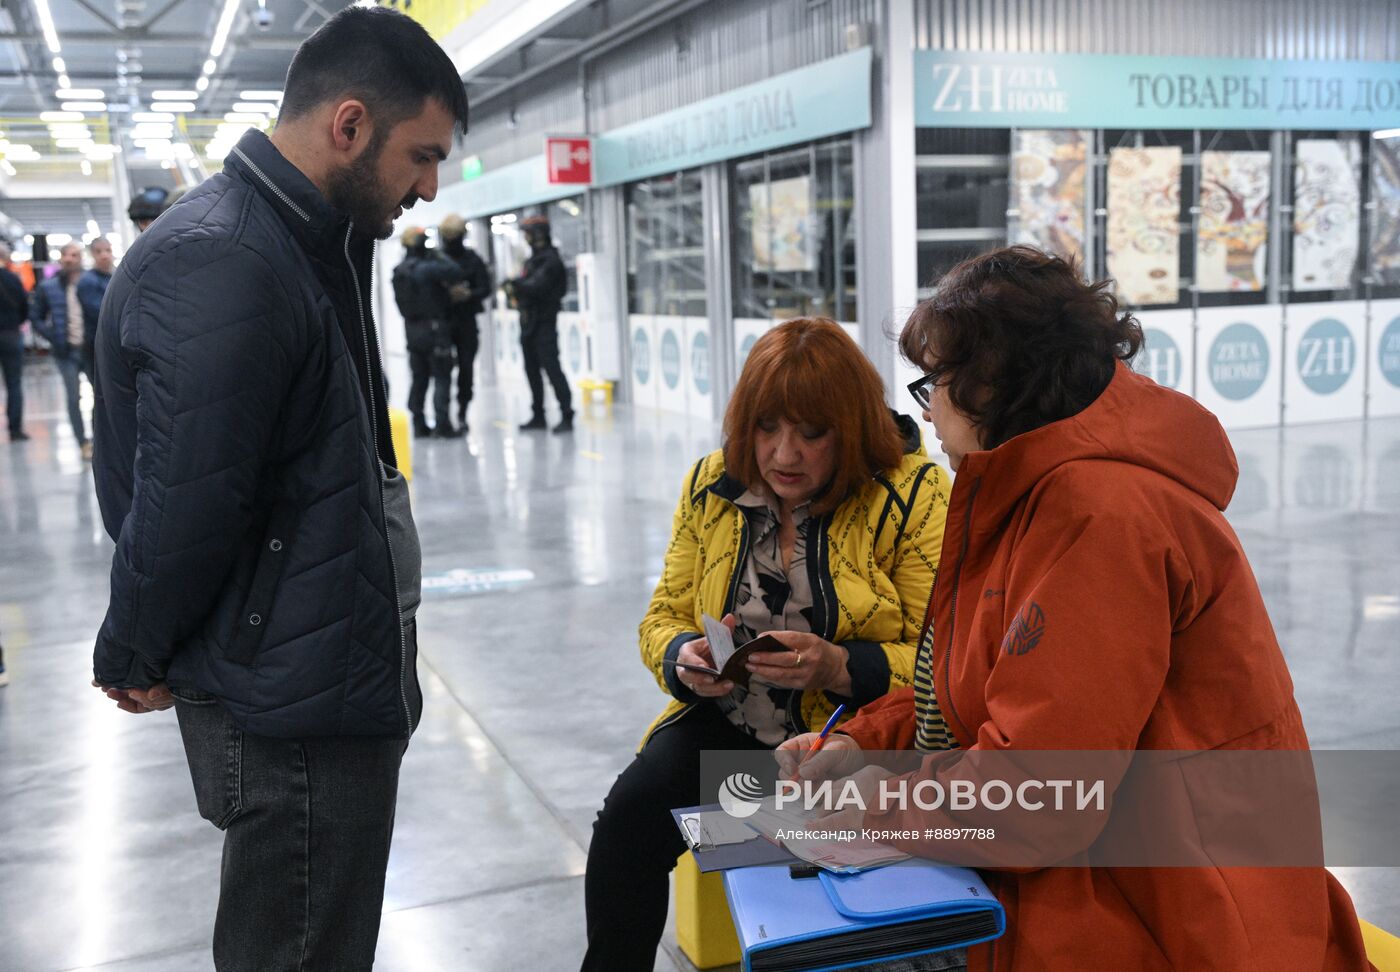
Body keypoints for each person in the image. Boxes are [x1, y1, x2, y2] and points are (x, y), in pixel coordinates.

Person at [777, 247, 1373, 971]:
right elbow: (981, 700)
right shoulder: (1026, 498)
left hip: (1174, 918)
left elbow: (1036, 797)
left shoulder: (1103, 518)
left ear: (997, 382)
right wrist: (863, 744)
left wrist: (872, 809)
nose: (925, 407)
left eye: (934, 381)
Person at [88, 7, 469, 970]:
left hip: (317, 669)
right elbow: (186, 500)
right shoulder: (227, 258)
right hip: (288, 702)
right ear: (349, 125)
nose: (430, 187)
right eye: (421, 156)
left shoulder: (311, 240)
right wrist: (133, 648)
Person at [582, 318, 954, 971]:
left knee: (812, 892)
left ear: (852, 426)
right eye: (766, 429)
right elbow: (663, 615)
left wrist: (842, 666)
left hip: (848, 744)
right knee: (629, 817)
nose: (784, 455)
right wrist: (682, 659)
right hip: (736, 735)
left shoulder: (912, 496)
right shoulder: (711, 487)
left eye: (812, 434)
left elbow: (943, 662)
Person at [392, 224, 466, 438]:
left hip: (412, 331)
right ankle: (443, 425)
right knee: (442, 376)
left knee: (419, 378)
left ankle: (419, 424)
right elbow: (456, 271)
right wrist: (438, 254)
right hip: (435, 330)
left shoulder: (399, 271)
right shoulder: (429, 268)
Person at [507, 214, 572, 433]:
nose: (525, 238)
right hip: (528, 322)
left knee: (553, 370)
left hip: (544, 323)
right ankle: (538, 415)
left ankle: (566, 413)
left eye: (528, 233)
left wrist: (516, 284)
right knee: (532, 371)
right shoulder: (532, 260)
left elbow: (535, 287)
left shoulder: (551, 260)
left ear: (537, 235)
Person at [30, 242, 90, 457]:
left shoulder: (90, 282)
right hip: (65, 352)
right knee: (73, 398)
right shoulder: (49, 287)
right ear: (60, 259)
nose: (70, 259)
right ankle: (82, 442)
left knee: (101, 396)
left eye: (74, 255)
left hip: (90, 349)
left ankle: (99, 438)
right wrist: (52, 337)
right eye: (66, 255)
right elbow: (35, 316)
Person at [438, 213, 492, 431]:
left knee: (466, 370)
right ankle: (444, 418)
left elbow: (485, 288)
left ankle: (461, 413)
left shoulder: (472, 259)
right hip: (443, 322)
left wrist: (468, 294)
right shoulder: (436, 260)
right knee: (442, 371)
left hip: (466, 322)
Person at [0, 241, 29, 441]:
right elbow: (24, 307)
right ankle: (15, 429)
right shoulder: (12, 279)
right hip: (10, 334)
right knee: (14, 383)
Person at [77, 237, 114, 377]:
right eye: (99, 251)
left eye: (108, 250)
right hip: (96, 344)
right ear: (92, 254)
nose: (104, 255)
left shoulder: (115, 277)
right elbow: (100, 312)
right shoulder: (87, 281)